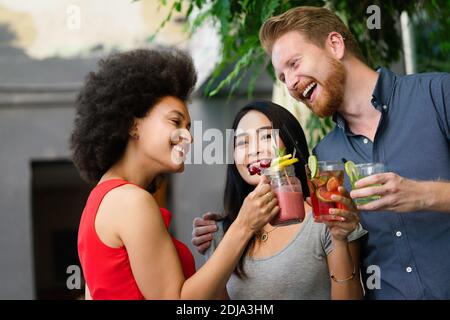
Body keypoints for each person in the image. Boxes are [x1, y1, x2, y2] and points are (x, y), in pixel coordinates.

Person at [193, 6, 450, 299]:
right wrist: (225, 224)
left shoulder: (438, 95)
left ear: (335, 45)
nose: (290, 83)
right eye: (282, 77)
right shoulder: (323, 158)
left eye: (294, 63)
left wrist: (422, 194)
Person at [71, 48, 279, 300]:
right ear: (133, 126)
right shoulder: (130, 201)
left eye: (189, 127)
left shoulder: (101, 200)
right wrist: (244, 226)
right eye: (175, 121)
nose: (188, 136)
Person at [196, 100, 366, 299]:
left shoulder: (327, 217)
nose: (254, 150)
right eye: (242, 142)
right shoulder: (219, 233)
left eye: (267, 136)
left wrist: (339, 240)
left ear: (291, 144)